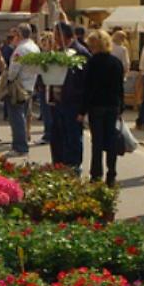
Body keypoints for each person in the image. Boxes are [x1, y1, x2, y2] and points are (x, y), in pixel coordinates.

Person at [79, 29, 125, 187]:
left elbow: (87, 89)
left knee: (97, 142)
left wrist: (82, 110)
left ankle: (96, 174)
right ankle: (111, 173)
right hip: (112, 105)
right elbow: (120, 87)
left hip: (96, 105)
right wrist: (121, 107)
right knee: (111, 140)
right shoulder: (116, 62)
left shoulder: (92, 63)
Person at [50, 22, 91, 172]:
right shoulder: (60, 51)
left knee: (72, 136)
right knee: (58, 135)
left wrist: (83, 109)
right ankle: (59, 164)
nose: (54, 39)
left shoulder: (80, 53)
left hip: (73, 102)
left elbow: (87, 83)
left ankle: (73, 166)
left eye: (56, 35)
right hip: (59, 101)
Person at [5, 24, 39, 156]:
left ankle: (20, 146)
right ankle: (21, 143)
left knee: (17, 117)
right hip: (30, 84)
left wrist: (8, 79)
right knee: (23, 116)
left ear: (19, 35)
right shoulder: (34, 47)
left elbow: (14, 69)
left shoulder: (20, 49)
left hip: (19, 86)